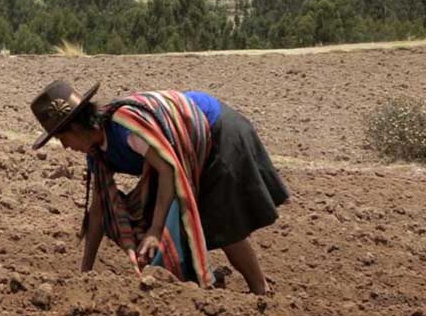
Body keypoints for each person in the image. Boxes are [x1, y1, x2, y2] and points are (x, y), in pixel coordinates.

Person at [30, 80, 289, 294]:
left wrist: (155, 230)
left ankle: (261, 290)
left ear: (77, 127)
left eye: (63, 138)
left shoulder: (125, 130)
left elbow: (168, 169)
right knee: (154, 213)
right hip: (184, 148)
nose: (64, 146)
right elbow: (99, 210)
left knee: (221, 220)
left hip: (215, 130)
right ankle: (184, 281)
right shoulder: (97, 151)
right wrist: (85, 272)